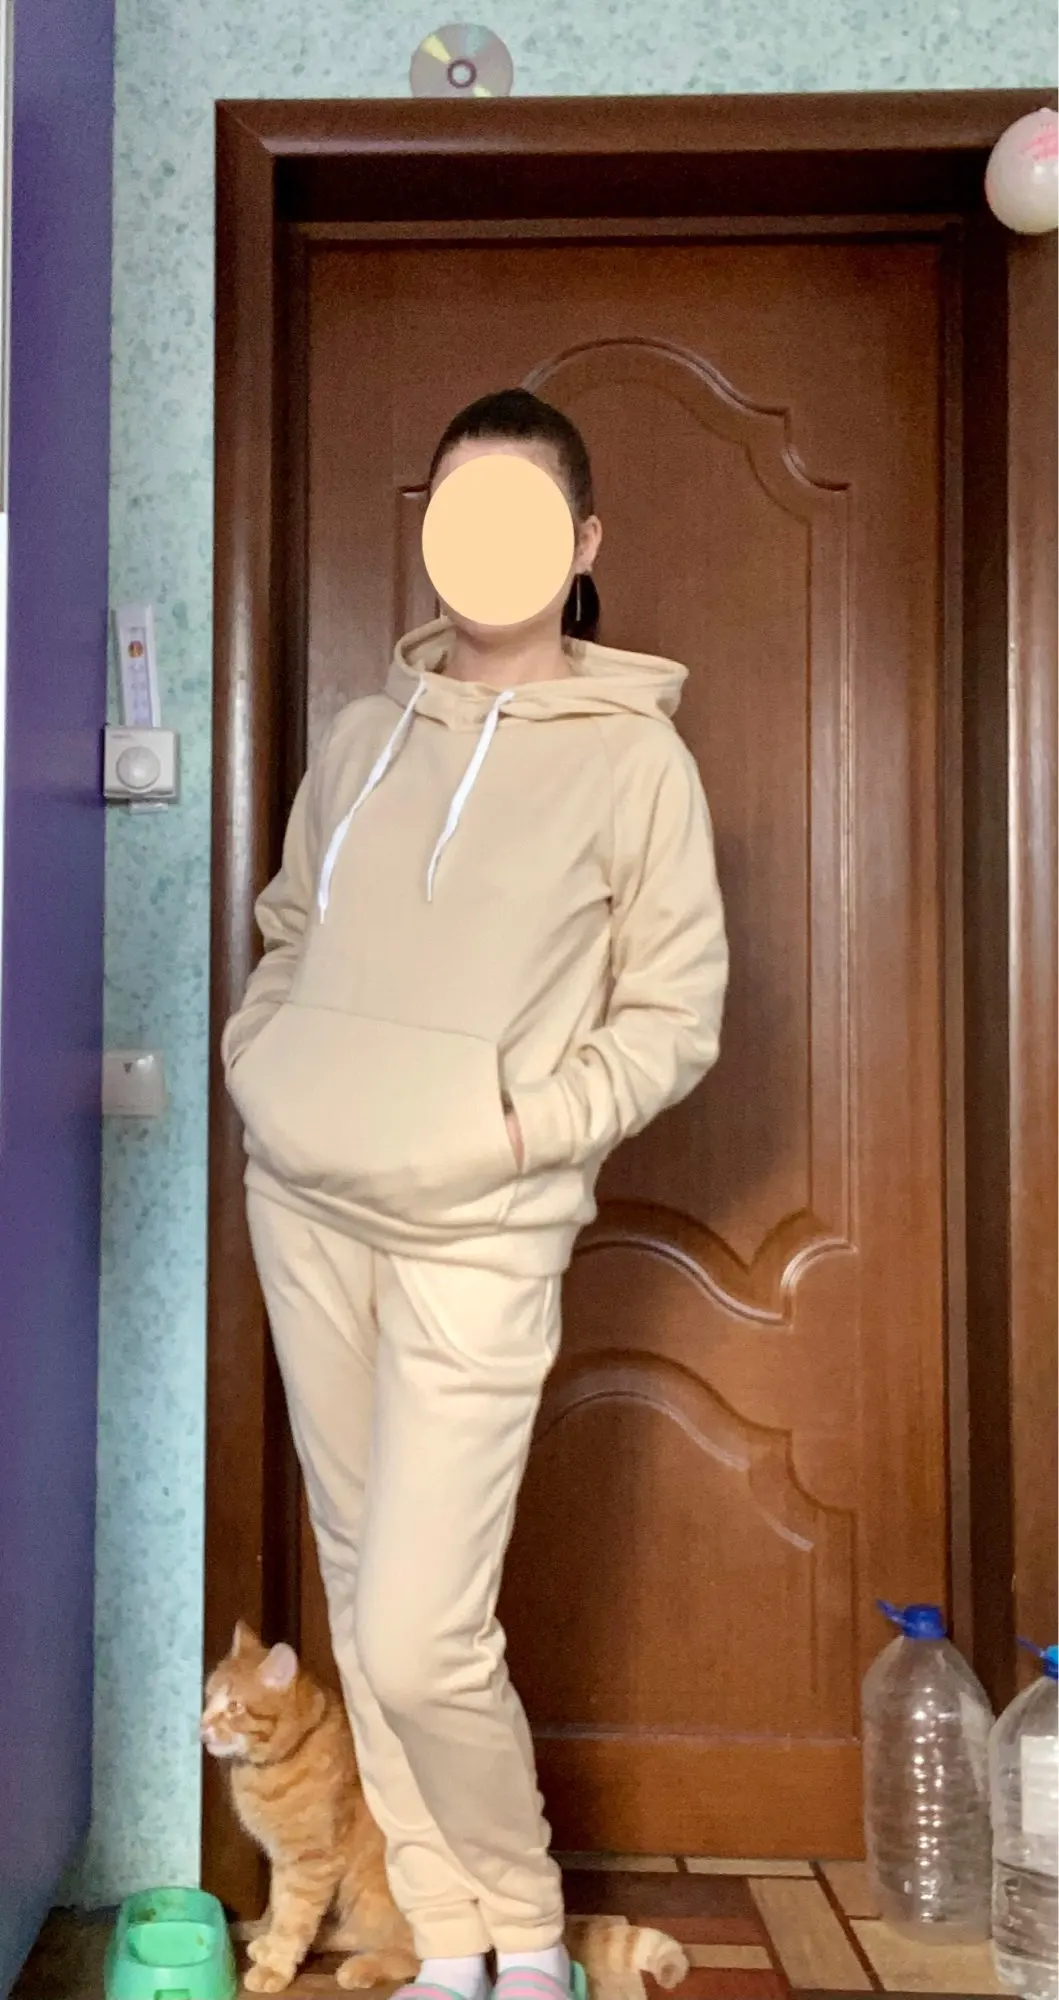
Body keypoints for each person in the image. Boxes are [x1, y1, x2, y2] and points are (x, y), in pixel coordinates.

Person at [222, 388, 729, 2000]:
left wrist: (528, 1128)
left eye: (520, 513)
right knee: (358, 1590)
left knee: (418, 1632)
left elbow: (674, 1015)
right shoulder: (363, 738)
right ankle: (448, 1947)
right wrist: (262, 1059)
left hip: (477, 1233)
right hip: (308, 1206)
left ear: (580, 545)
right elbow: (288, 929)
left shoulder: (636, 763)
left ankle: (522, 1926)